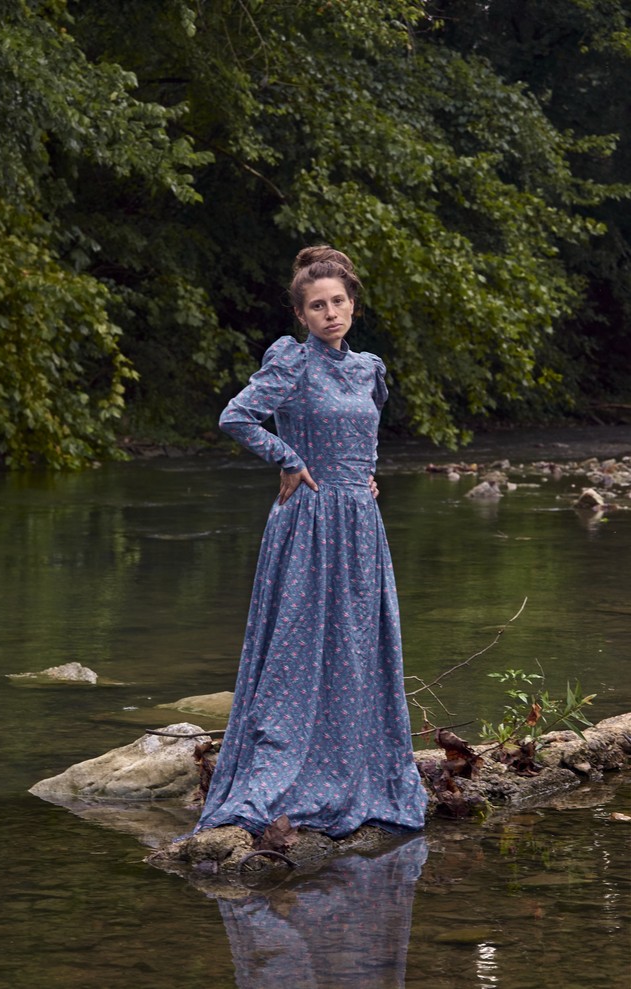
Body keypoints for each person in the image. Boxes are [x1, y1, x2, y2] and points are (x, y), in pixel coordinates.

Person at [193, 245, 427, 838]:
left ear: (352, 305)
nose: (330, 313)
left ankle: (359, 768)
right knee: (299, 649)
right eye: (317, 306)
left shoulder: (370, 367)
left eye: (339, 302)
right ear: (301, 315)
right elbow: (236, 416)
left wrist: (367, 475)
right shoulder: (291, 363)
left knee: (357, 647)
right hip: (308, 523)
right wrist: (289, 457)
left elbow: (365, 436)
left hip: (360, 525)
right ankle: (286, 772)